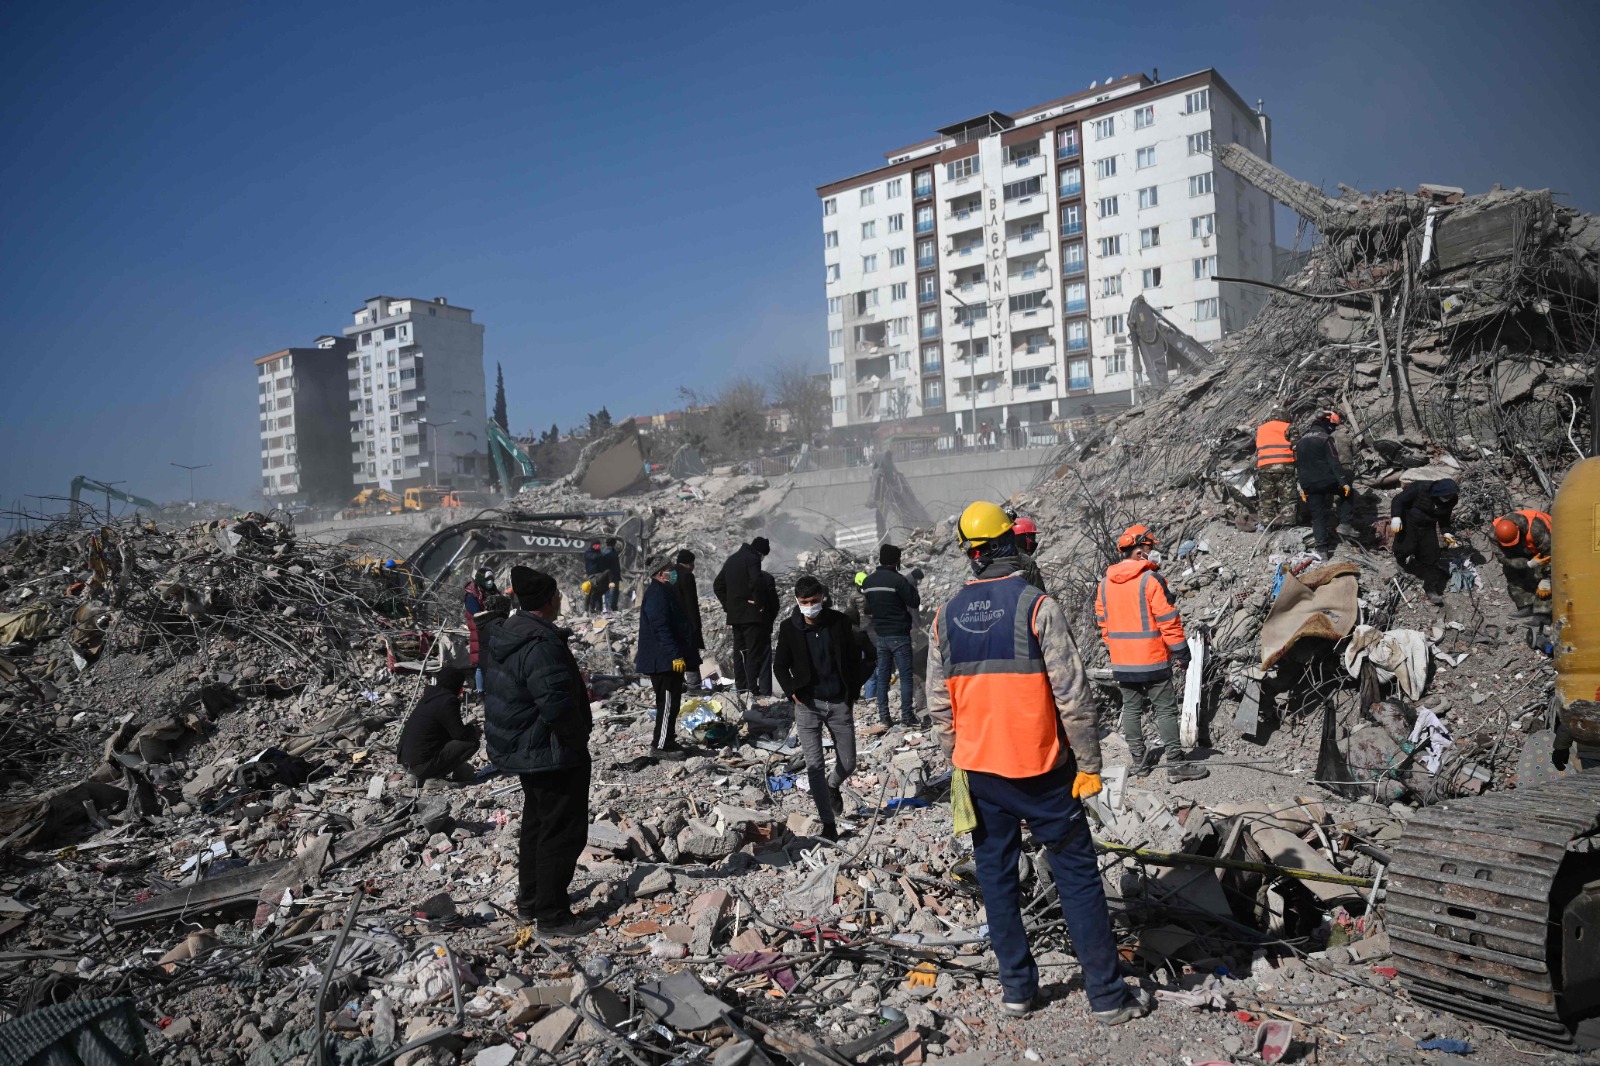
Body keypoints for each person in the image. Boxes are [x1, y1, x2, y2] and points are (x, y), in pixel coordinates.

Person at [927, 501, 1152, 1024]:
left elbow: (939, 707)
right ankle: (1107, 996)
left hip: (981, 773)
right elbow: (1073, 695)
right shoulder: (1036, 606)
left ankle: (1018, 992)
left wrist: (959, 757)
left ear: (971, 554)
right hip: (1044, 770)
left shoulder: (944, 616)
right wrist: (1089, 763)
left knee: (998, 879)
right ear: (1010, 544)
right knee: (1076, 877)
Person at [483, 566, 596, 935]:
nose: (561, 599)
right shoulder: (541, 644)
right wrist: (577, 740)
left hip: (525, 748)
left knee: (537, 824)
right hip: (550, 749)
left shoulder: (508, 633)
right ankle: (552, 916)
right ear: (549, 600)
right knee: (561, 831)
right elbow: (556, 703)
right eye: (558, 595)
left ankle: (531, 900)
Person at [1095, 524, 1207, 782]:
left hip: (1123, 661)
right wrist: (1181, 651)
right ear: (1139, 550)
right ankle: (1176, 765)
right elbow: (1168, 619)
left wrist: (1116, 649)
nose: (1152, 552)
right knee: (1165, 710)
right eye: (1149, 547)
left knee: (1131, 710)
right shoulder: (1150, 580)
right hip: (1152, 659)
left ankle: (1139, 763)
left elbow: (1103, 623)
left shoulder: (1104, 584)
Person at [772, 575, 874, 840]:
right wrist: (792, 690)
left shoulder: (839, 623)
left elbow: (857, 658)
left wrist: (854, 686)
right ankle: (828, 822)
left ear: (822, 599)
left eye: (814, 601)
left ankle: (832, 785)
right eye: (805, 602)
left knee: (849, 762)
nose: (810, 606)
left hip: (839, 702)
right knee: (815, 765)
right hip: (808, 705)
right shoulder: (789, 628)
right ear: (797, 601)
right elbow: (780, 666)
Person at [636, 557, 699, 758]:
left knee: (672, 703)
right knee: (668, 703)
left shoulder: (664, 591)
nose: (674, 573)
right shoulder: (656, 594)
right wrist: (675, 656)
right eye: (670, 570)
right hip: (663, 660)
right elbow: (661, 629)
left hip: (667, 658)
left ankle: (668, 741)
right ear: (660, 573)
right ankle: (661, 745)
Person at [861, 543, 922, 728]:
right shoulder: (898, 581)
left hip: (881, 637)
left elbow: (869, 608)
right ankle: (907, 716)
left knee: (883, 677)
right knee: (905, 676)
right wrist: (911, 584)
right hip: (900, 636)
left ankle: (884, 717)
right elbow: (914, 601)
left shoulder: (868, 583)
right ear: (897, 560)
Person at [712, 537, 772, 698]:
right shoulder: (752, 558)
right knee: (752, 652)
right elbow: (757, 580)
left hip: (735, 616)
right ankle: (752, 688)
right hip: (750, 615)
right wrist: (759, 604)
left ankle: (742, 687)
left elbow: (718, 584)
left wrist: (729, 605)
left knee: (739, 653)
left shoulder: (732, 559)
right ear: (760, 552)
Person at [398, 665, 479, 784]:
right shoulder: (448, 701)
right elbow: (460, 735)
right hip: (421, 764)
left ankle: (417, 776)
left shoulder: (429, 697)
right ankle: (434, 778)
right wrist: (473, 730)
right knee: (472, 742)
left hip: (407, 761)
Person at [1390, 479, 1460, 603]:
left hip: (1428, 527)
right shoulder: (1420, 487)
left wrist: (1447, 532)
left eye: (1450, 496)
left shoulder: (1452, 500)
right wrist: (1396, 517)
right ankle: (1402, 562)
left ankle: (1431, 589)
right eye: (1445, 496)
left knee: (1432, 556)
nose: (1447, 498)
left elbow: (1444, 518)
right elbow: (1398, 500)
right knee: (1405, 548)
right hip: (1409, 522)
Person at [1293, 411, 1353, 554]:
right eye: (1332, 425)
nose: (1332, 429)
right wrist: (1343, 482)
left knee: (1317, 516)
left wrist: (1303, 488)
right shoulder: (1325, 438)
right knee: (1348, 493)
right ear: (1325, 423)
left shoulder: (1300, 442)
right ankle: (1345, 524)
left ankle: (1322, 549)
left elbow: (1299, 466)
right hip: (1327, 481)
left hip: (1309, 485)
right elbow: (1334, 462)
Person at [1491, 509, 1553, 617]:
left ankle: (1545, 611)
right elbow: (1503, 557)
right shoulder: (1494, 533)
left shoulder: (1536, 528)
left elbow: (1552, 553)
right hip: (1524, 549)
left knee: (1540, 575)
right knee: (1510, 571)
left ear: (1519, 531)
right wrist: (1527, 564)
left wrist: (1547, 578)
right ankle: (1527, 605)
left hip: (1547, 545)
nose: (1510, 546)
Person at [464, 566, 507, 693]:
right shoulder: (471, 594)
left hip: (492, 627)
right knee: (480, 662)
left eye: (491, 579)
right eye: (487, 579)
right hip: (479, 628)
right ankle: (480, 690)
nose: (490, 581)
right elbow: (475, 613)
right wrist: (491, 612)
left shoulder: (492, 591)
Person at [1255, 411, 1298, 529]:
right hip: (1285, 468)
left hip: (1265, 468)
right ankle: (1288, 526)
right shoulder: (1289, 427)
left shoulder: (1260, 429)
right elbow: (1296, 447)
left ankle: (1266, 526)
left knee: (1267, 499)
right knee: (1288, 498)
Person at [671, 549, 705, 661]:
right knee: (691, 659)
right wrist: (696, 627)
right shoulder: (687, 576)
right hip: (686, 624)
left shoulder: (669, 574)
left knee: (678, 656)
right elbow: (691, 603)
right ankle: (692, 677)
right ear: (689, 563)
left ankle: (679, 676)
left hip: (672, 623)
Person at [752, 568, 780, 700]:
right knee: (764, 657)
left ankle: (748, 688)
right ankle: (765, 691)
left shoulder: (741, 578)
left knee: (746, 655)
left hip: (744, 625)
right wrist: (769, 619)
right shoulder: (767, 578)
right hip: (763, 624)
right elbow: (775, 604)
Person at [1011, 517, 1047, 592]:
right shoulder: (1026, 561)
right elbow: (1040, 592)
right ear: (1025, 537)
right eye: (1032, 537)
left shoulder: (1004, 557)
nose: (1033, 541)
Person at [582, 539, 606, 613]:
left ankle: (599, 610)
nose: (598, 546)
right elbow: (594, 557)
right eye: (597, 545)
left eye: (599, 545)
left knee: (598, 593)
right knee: (589, 592)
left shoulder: (598, 552)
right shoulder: (588, 553)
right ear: (593, 545)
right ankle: (587, 609)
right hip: (592, 575)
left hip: (599, 575)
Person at [600, 537, 623, 613]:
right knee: (611, 593)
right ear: (614, 544)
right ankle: (609, 609)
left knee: (614, 593)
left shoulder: (611, 552)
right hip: (611, 577)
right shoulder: (608, 553)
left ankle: (613, 608)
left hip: (614, 576)